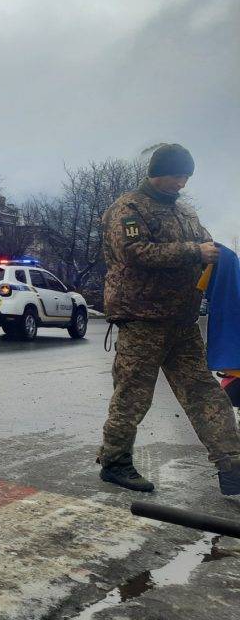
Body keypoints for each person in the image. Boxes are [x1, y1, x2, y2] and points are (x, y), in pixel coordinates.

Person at [97, 143, 240, 496]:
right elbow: (133, 253)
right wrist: (195, 251)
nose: (182, 184)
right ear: (159, 172)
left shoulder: (186, 213)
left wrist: (219, 254)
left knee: (204, 391)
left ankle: (233, 464)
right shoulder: (128, 209)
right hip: (142, 318)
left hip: (182, 321)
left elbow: (207, 245)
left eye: (187, 177)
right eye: (178, 176)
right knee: (133, 395)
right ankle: (115, 463)